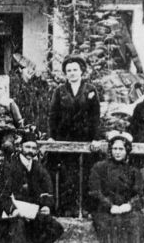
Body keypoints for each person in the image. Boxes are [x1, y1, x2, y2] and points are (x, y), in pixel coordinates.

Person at [47, 55, 100, 215]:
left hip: (85, 137)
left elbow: (95, 116)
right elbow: (53, 115)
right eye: (69, 70)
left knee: (85, 173)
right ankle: (67, 208)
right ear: (65, 73)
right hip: (65, 137)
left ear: (81, 71)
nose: (72, 73)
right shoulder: (59, 91)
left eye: (75, 70)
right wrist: (51, 136)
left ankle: (84, 208)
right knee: (67, 174)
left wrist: (95, 138)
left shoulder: (90, 90)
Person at [0, 131, 64, 243]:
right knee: (19, 228)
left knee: (56, 228)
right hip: (12, 213)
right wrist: (14, 210)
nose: (30, 151)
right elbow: (3, 195)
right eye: (27, 147)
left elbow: (47, 190)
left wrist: (46, 206)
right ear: (20, 147)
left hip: (32, 211)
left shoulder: (39, 168)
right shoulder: (10, 166)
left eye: (33, 148)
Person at [89, 131, 143, 243]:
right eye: (115, 149)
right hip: (104, 209)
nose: (117, 152)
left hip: (126, 209)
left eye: (121, 149)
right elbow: (95, 191)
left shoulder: (133, 171)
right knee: (108, 225)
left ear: (127, 151)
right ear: (110, 150)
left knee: (135, 222)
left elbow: (139, 193)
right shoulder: (99, 167)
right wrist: (110, 206)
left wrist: (129, 205)